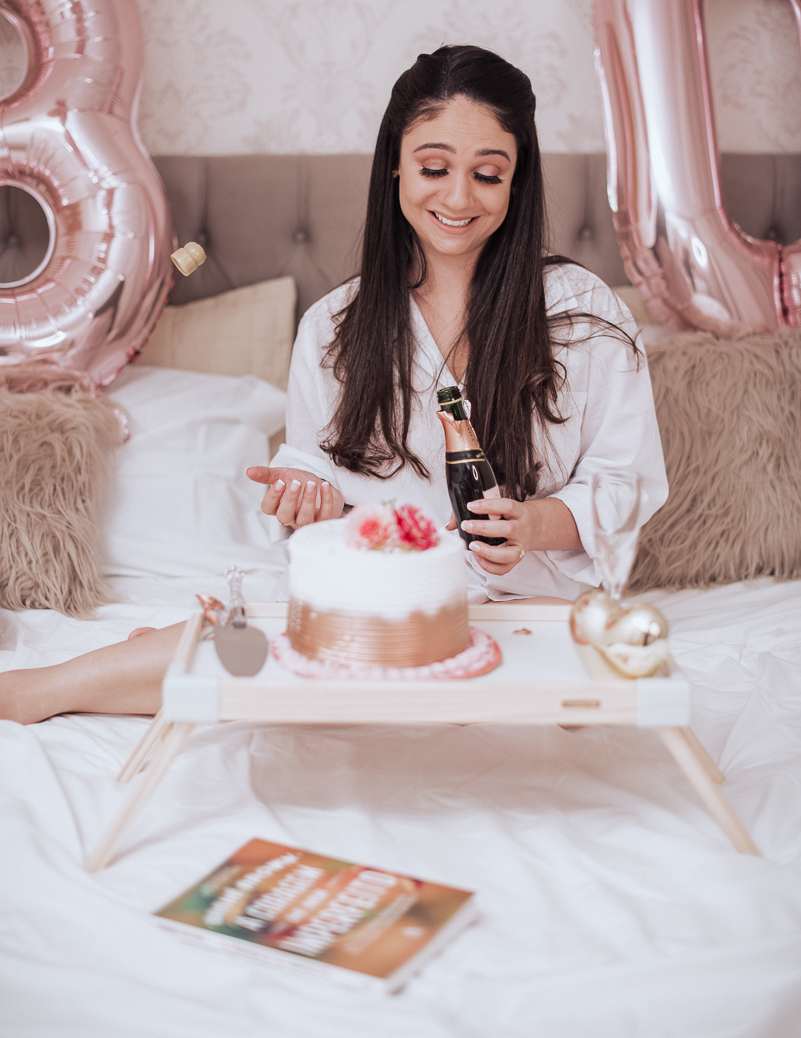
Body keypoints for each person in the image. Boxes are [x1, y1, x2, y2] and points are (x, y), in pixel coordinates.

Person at [0, 46, 667, 724]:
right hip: (373, 602)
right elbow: (309, 467)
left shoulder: (581, 315)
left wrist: (535, 523)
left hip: (530, 601)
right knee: (281, 643)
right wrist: (305, 498)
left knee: (576, 663)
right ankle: (38, 691)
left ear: (516, 183)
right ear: (395, 167)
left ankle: (275, 676)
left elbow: (623, 479)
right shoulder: (333, 328)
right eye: (434, 168)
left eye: (487, 175)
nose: (458, 198)